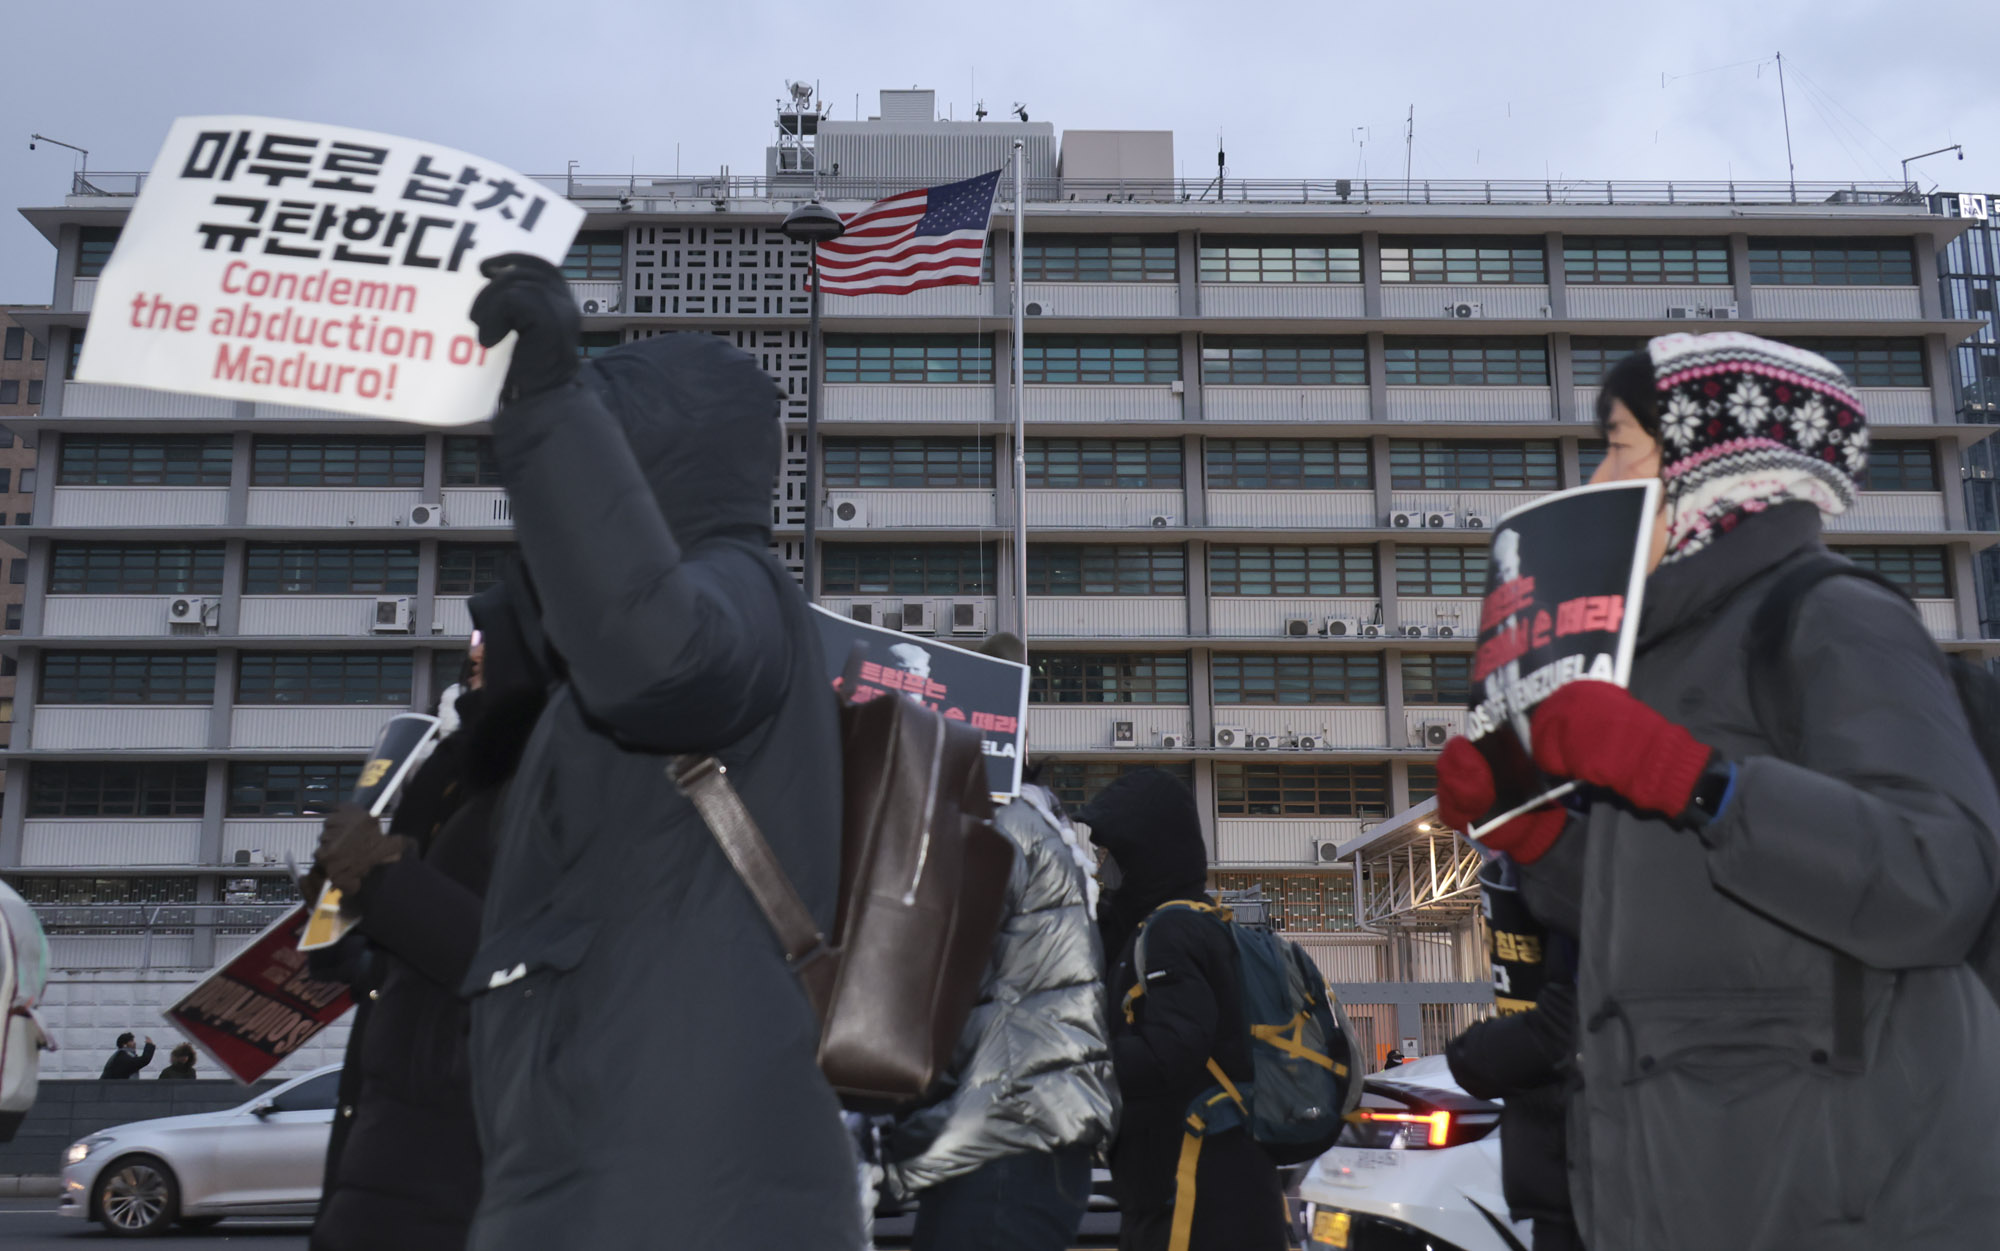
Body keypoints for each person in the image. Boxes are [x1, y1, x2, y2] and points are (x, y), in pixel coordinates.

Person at [1438, 332, 2000, 1249]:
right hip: (1695, 1179)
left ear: (1711, 463)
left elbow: (1940, 876)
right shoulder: (1652, 664)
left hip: (1845, 1190)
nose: (1598, 475)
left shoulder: (1832, 616)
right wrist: (1540, 837)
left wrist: (1694, 779)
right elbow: (1698, 910)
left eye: (1620, 444)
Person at [460, 255, 859, 1250]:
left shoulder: (742, 591)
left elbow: (658, 660)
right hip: (625, 1165)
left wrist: (552, 413)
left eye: (611, 432)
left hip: (670, 1184)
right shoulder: (611, 660)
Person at [306, 576, 550, 1251]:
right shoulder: (448, 764)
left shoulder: (556, 782)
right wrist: (341, 908)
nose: (472, 651)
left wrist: (384, 878)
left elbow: (523, 958)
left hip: (460, 1156)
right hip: (388, 1136)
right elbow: (393, 961)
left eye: (487, 636)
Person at [880, 639, 1118, 1250]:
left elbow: (930, 952)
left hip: (1006, 1127)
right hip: (1016, 1120)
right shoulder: (1036, 824)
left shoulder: (1002, 826)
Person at [1081, 768, 1287, 1251]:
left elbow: (1173, 1047)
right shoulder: (1175, 922)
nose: (1100, 861)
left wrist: (1083, 1059)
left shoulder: (1173, 932)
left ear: (1144, 851)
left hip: (1196, 1184)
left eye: (1111, 850)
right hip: (1192, 1179)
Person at [1446, 858, 1580, 1251]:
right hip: (1560, 1179)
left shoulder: (1585, 876)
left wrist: (1470, 1052)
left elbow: (1562, 1025)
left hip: (1582, 1176)